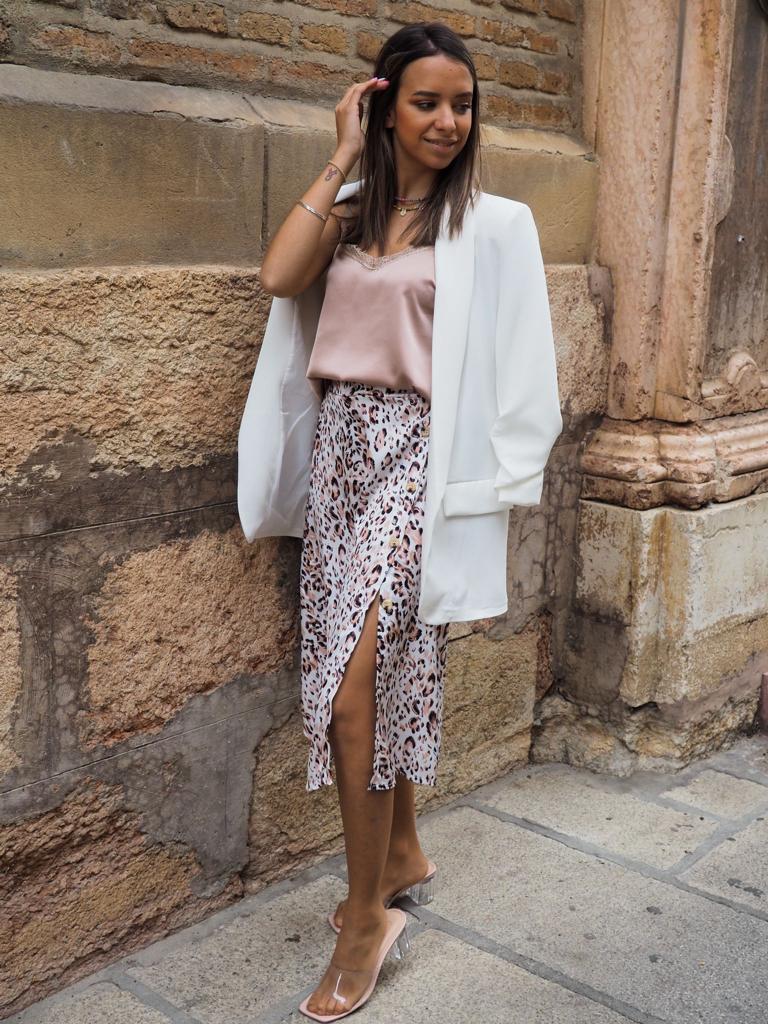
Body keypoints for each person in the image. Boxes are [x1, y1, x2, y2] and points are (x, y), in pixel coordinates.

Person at [241, 20, 562, 1022]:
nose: (448, 121)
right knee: (377, 680)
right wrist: (340, 155)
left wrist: (493, 498)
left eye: (463, 104)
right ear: (385, 108)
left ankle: (366, 918)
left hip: (423, 464)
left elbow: (528, 373)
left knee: (354, 695)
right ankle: (406, 851)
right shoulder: (350, 213)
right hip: (342, 461)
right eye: (426, 102)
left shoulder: (496, 226)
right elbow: (278, 277)